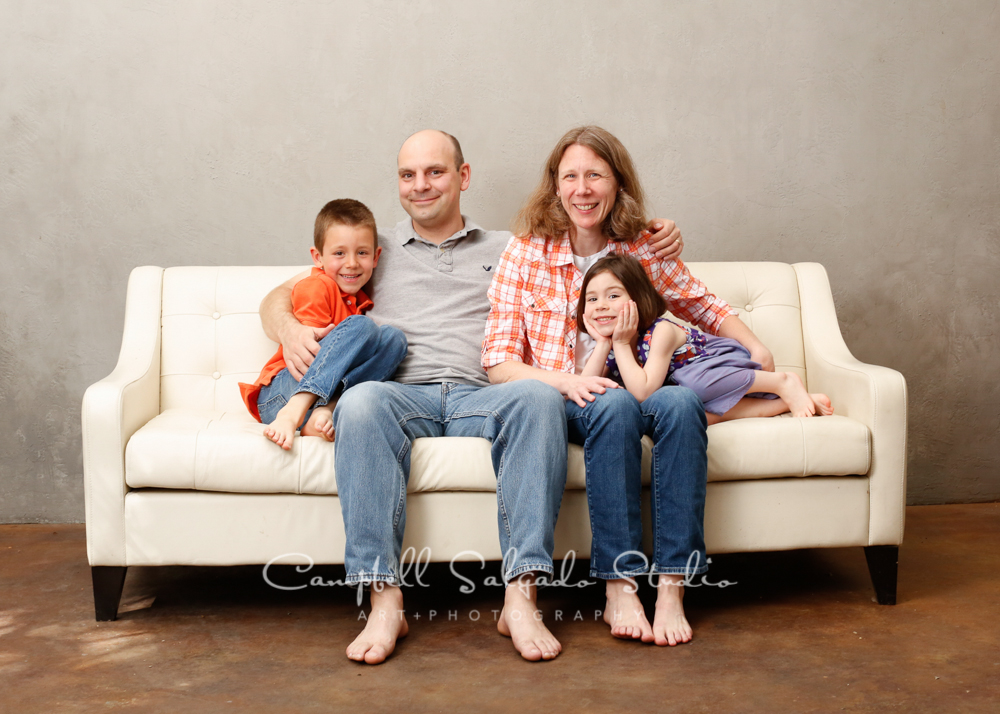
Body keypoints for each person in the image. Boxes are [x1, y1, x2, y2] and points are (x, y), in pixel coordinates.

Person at [258, 129, 686, 664]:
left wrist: (655, 233)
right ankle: (384, 597)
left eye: (435, 172)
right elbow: (283, 293)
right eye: (408, 175)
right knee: (361, 401)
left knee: (534, 398)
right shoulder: (373, 249)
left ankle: (521, 593)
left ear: (462, 177)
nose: (421, 186)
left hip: (481, 393)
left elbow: (594, 255)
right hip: (399, 392)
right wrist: (288, 328)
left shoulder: (509, 247)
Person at [482, 125, 775, 647]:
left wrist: (756, 348)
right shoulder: (525, 253)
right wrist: (568, 382)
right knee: (614, 405)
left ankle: (670, 586)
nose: (582, 189)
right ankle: (620, 584)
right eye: (569, 176)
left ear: (617, 183)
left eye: (595, 175)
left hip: (642, 382)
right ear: (554, 187)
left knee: (682, 401)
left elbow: (699, 303)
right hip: (565, 399)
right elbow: (499, 362)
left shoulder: (643, 245)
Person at [579, 254, 833, 421]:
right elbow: (585, 388)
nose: (601, 305)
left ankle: (782, 382)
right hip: (701, 394)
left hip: (720, 365)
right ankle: (785, 403)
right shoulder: (614, 346)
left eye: (613, 296)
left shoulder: (661, 332)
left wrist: (621, 344)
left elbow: (643, 391)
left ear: (639, 299)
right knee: (684, 413)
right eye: (592, 299)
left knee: (688, 383)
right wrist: (603, 344)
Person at [239, 199, 406, 450]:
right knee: (363, 327)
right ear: (318, 257)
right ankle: (294, 412)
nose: (351, 263)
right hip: (281, 394)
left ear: (375, 257)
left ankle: (316, 418)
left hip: (321, 397)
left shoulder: (358, 300)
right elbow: (309, 360)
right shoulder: (317, 286)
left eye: (362, 252)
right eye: (339, 253)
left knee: (394, 339)